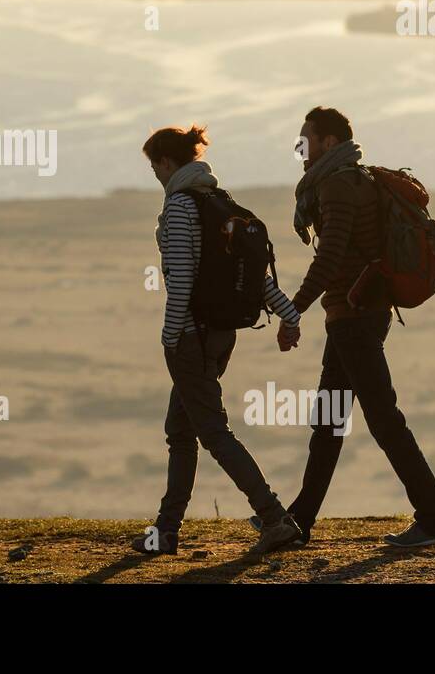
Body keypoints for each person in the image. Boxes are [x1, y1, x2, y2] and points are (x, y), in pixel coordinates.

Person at [275, 106, 435, 548]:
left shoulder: (337, 186)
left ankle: (434, 519)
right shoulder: (359, 179)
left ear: (329, 143)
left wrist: (292, 310)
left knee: (382, 418)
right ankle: (300, 520)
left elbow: (330, 256)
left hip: (355, 315)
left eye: (306, 140)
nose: (300, 149)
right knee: (331, 420)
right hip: (357, 313)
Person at [132, 123, 302, 557]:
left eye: (155, 166)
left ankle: (274, 517)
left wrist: (171, 337)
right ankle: (166, 530)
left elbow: (182, 279)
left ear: (168, 163)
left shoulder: (180, 209)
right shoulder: (220, 205)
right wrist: (289, 314)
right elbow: (254, 276)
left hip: (192, 336)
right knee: (182, 429)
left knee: (212, 432)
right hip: (221, 334)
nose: (154, 174)